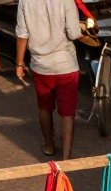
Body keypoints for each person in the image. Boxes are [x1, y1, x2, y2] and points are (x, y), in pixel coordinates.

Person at [15, 0, 83, 160]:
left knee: (45, 107)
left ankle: (49, 146)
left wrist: (19, 63)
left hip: (40, 65)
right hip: (65, 65)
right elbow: (73, 33)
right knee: (67, 112)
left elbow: (22, 34)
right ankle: (67, 156)